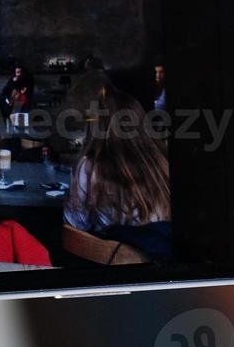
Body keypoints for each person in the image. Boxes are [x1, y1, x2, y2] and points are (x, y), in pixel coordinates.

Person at [62, 76, 172, 237]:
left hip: (109, 256)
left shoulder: (89, 167)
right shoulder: (159, 161)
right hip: (159, 251)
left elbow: (75, 223)